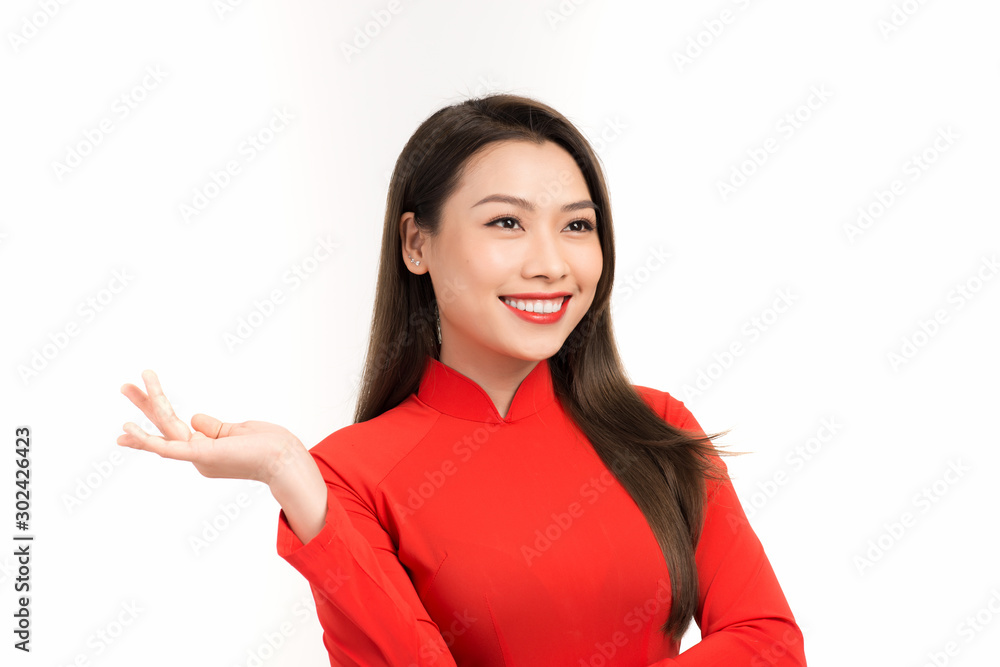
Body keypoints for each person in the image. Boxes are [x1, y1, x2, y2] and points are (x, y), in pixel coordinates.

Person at [118, 94, 806, 666]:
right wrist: (289, 472)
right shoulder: (345, 476)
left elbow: (770, 642)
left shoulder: (659, 426)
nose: (549, 264)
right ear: (416, 242)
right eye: (507, 222)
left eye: (576, 225)